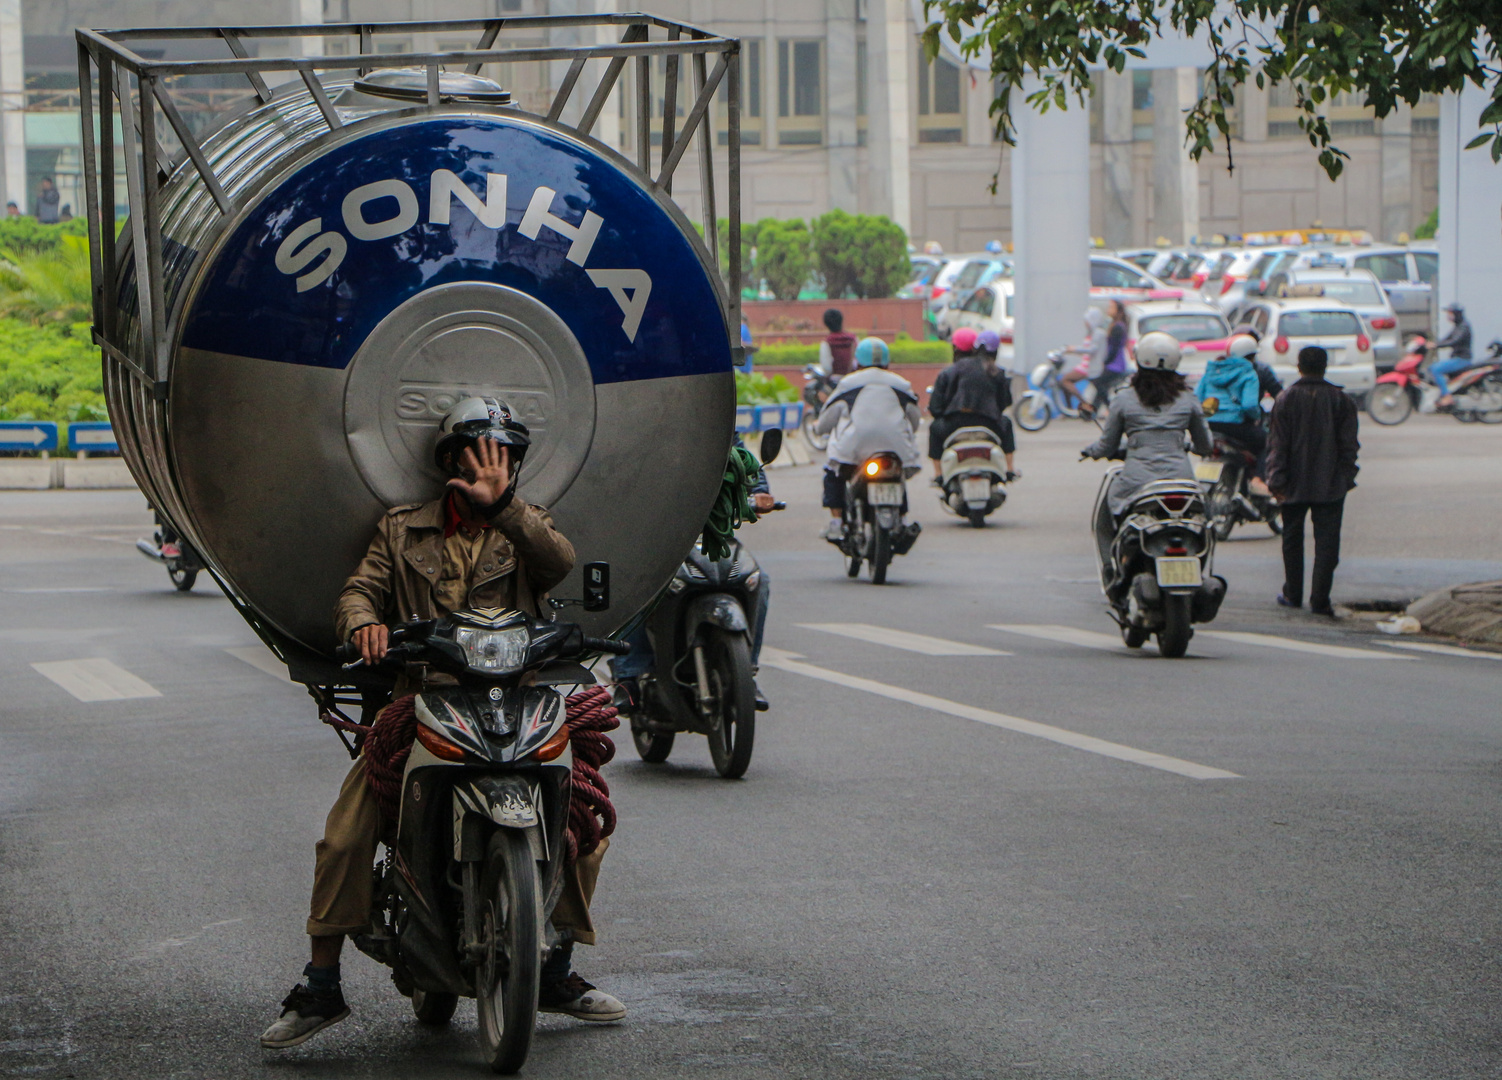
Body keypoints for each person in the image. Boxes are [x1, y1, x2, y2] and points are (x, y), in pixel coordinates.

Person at [260, 397, 624, 1051]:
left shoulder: (526, 523)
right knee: (346, 834)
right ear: (451, 459)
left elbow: (558, 563)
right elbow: (359, 591)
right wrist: (363, 624)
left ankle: (557, 967)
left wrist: (504, 503)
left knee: (583, 826)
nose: (496, 463)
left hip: (519, 701)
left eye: (507, 454)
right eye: (483, 452)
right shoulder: (402, 529)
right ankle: (320, 983)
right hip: (425, 702)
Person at [610, 434, 777, 710]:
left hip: (708, 528)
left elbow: (741, 459)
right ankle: (629, 674)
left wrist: (759, 492)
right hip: (652, 528)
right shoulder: (643, 417)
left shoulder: (714, 417)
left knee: (760, 580)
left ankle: (748, 670)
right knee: (633, 582)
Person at [1082, 332, 1213, 573]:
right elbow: (1205, 445)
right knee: (1205, 520)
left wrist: (1092, 451)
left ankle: (1111, 569)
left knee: (1104, 521)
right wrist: (1188, 446)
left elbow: (1107, 446)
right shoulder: (1188, 398)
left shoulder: (1123, 399)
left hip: (1136, 483)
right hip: (1181, 481)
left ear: (1139, 360)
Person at [1266, 346, 1359, 616]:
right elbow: (1349, 446)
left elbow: (1277, 446)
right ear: (1325, 366)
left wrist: (1276, 481)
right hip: (1330, 484)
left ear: (1299, 366)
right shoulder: (1341, 400)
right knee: (1327, 543)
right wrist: (1346, 476)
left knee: (1292, 539)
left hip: (1292, 482)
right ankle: (1320, 599)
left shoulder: (1285, 399)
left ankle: (1292, 594)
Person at [815, 337, 922, 541]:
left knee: (833, 473)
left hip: (853, 453)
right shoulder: (901, 384)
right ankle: (903, 519)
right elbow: (914, 419)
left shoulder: (848, 384)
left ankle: (837, 523)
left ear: (858, 362)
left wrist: (819, 429)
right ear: (887, 362)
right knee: (896, 477)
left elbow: (826, 420)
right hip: (896, 451)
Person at [927, 327, 1017, 484]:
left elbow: (936, 409)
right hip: (990, 424)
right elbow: (1005, 403)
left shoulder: (951, 371)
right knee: (1007, 423)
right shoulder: (998, 372)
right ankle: (1010, 469)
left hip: (955, 425)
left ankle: (938, 474)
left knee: (934, 428)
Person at [1196, 334, 1271, 496]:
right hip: (1236, 425)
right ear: (1253, 356)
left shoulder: (1211, 371)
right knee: (1268, 443)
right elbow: (1249, 405)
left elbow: (1196, 398)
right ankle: (1258, 479)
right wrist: (1257, 417)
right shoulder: (1249, 373)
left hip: (1209, 425)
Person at [1059, 306, 1111, 413]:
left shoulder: (1098, 333)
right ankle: (1070, 409)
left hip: (1090, 367)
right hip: (1086, 365)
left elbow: (1091, 350)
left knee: (1065, 380)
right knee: (1064, 382)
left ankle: (1083, 404)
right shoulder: (1091, 333)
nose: (1085, 323)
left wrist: (1074, 349)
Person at [1431, 302, 1474, 407]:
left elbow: (1453, 341)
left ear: (1457, 314)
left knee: (1436, 369)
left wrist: (1436, 346)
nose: (1448, 316)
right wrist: (1434, 344)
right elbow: (1446, 339)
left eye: (1450, 313)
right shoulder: (1458, 326)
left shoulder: (1463, 327)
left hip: (1462, 359)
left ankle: (1447, 396)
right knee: (1431, 367)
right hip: (1457, 358)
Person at [817, 308, 858, 376]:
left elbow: (827, 368)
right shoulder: (853, 339)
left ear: (826, 323)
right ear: (841, 320)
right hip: (854, 378)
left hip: (835, 380)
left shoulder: (827, 342)